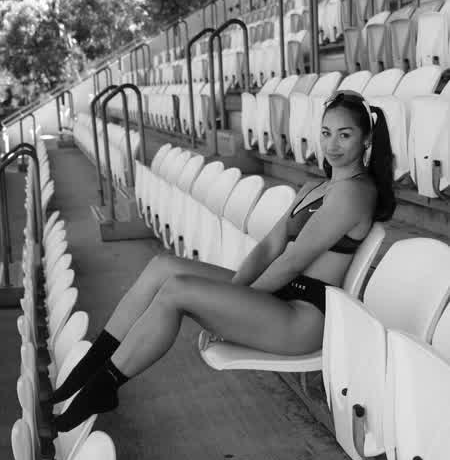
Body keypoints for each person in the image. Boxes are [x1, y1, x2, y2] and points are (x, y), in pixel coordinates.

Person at [50, 90, 396, 432]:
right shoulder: (314, 188)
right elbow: (269, 247)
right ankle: (91, 365)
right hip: (281, 294)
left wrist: (237, 303)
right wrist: (233, 294)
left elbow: (292, 261)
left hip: (303, 318)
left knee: (177, 290)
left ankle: (103, 387)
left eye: (345, 135)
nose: (332, 144)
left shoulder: (354, 193)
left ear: (366, 140)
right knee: (164, 267)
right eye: (326, 133)